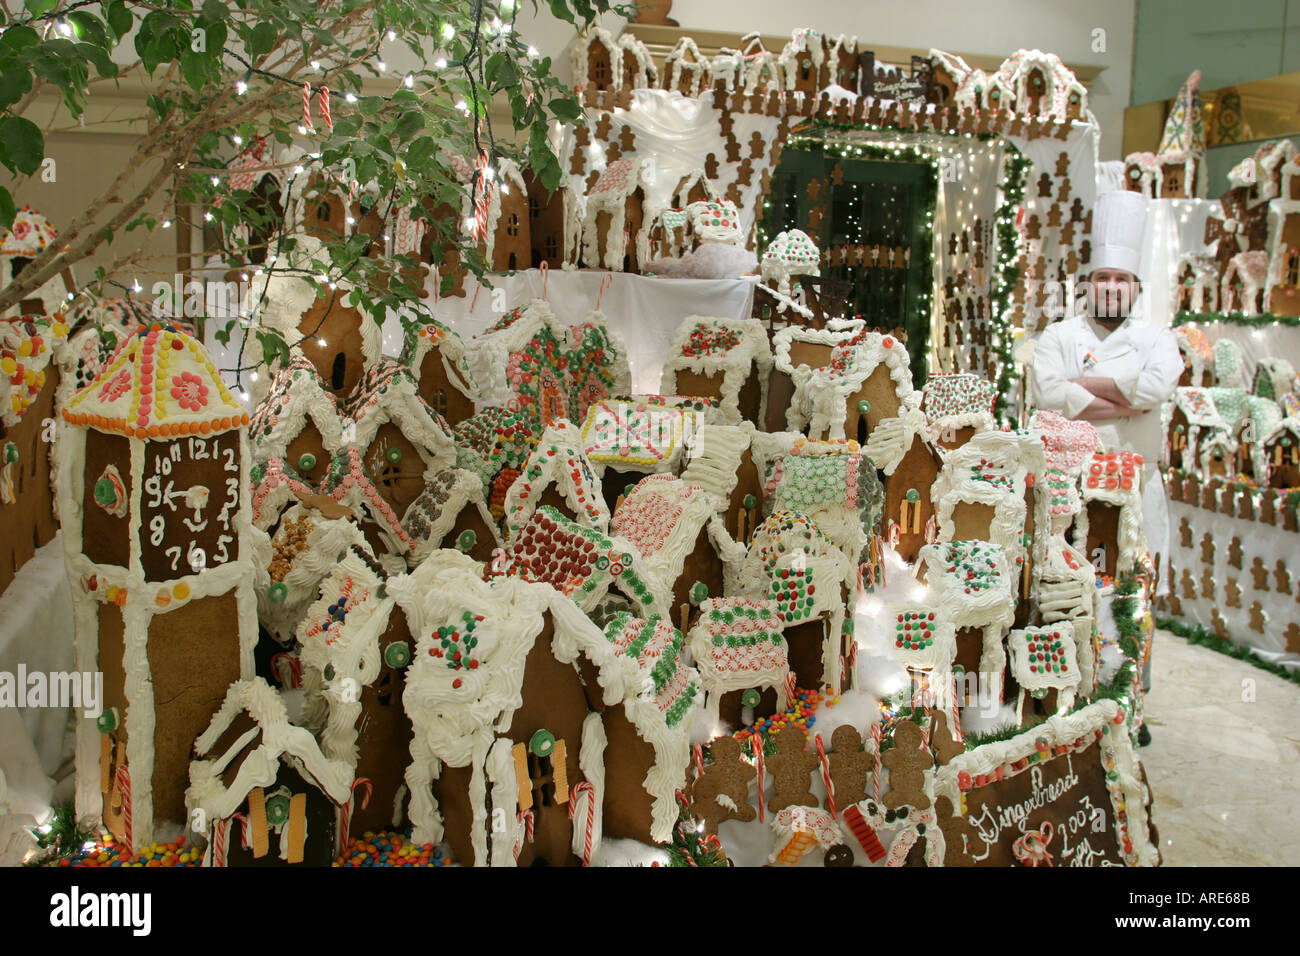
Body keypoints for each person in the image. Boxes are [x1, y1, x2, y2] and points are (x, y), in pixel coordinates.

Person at [1029, 190, 1184, 747]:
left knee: (1134, 592)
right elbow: (1047, 392)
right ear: (1087, 285)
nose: (1112, 288)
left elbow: (1158, 385)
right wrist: (1126, 399)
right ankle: (1064, 698)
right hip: (1071, 489)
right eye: (1103, 279)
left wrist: (1083, 390)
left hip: (1139, 487)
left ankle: (1131, 706)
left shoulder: (1157, 339)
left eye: (1122, 279)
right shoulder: (1058, 336)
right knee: (1068, 590)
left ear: (1134, 288)